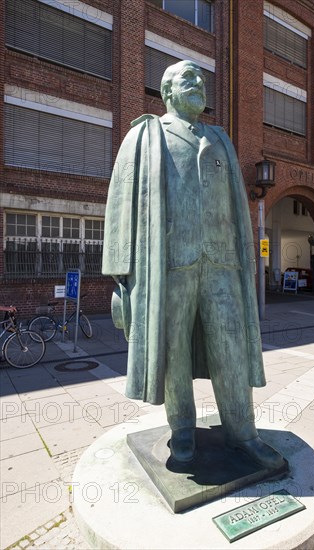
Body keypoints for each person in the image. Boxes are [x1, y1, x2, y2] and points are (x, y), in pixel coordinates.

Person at [102, 60, 285, 470]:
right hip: (169, 266)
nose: (200, 85)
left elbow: (238, 208)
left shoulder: (220, 139)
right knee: (174, 351)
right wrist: (120, 277)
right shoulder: (146, 136)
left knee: (232, 347)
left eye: (202, 80)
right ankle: (182, 429)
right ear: (167, 91)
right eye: (189, 80)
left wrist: (245, 260)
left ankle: (244, 433)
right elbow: (120, 205)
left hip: (221, 265)